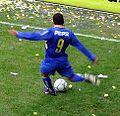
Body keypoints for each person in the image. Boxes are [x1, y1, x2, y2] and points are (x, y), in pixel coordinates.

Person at [9, 13, 99, 96]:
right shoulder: (69, 33)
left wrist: (19, 34)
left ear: (53, 21)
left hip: (50, 60)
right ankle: (85, 77)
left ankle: (50, 90)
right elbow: (80, 46)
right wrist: (92, 57)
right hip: (62, 61)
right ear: (63, 21)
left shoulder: (51, 32)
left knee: (44, 73)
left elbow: (35, 36)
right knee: (71, 77)